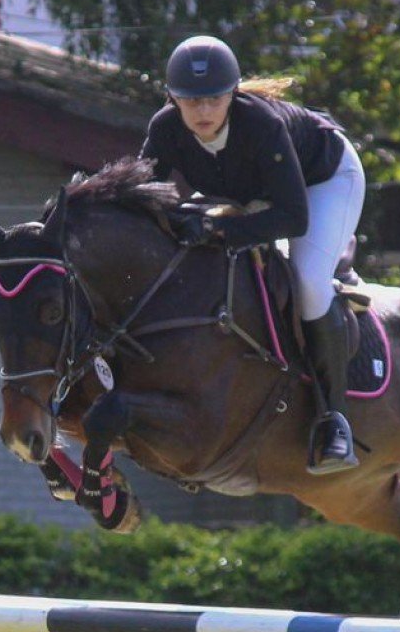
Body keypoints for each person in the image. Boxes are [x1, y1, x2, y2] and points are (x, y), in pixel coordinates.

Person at [140, 35, 366, 475]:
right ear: (172, 99)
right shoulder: (165, 129)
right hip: (253, 193)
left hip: (323, 181)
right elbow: (144, 194)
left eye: (214, 100)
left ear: (233, 93)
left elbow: (292, 218)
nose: (203, 113)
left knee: (307, 280)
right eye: (190, 102)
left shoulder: (261, 125)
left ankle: (334, 421)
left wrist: (214, 227)